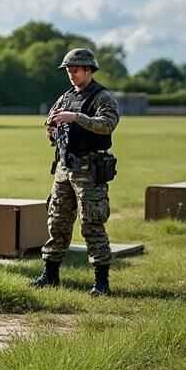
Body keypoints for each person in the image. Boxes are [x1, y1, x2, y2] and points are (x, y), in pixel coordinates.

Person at [30, 48, 120, 296]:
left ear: (89, 70)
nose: (71, 74)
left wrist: (76, 118)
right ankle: (50, 275)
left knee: (92, 223)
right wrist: (52, 126)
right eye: (68, 71)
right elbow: (50, 122)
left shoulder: (102, 97)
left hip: (89, 169)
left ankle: (101, 282)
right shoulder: (66, 97)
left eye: (75, 70)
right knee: (57, 221)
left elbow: (108, 124)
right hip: (64, 168)